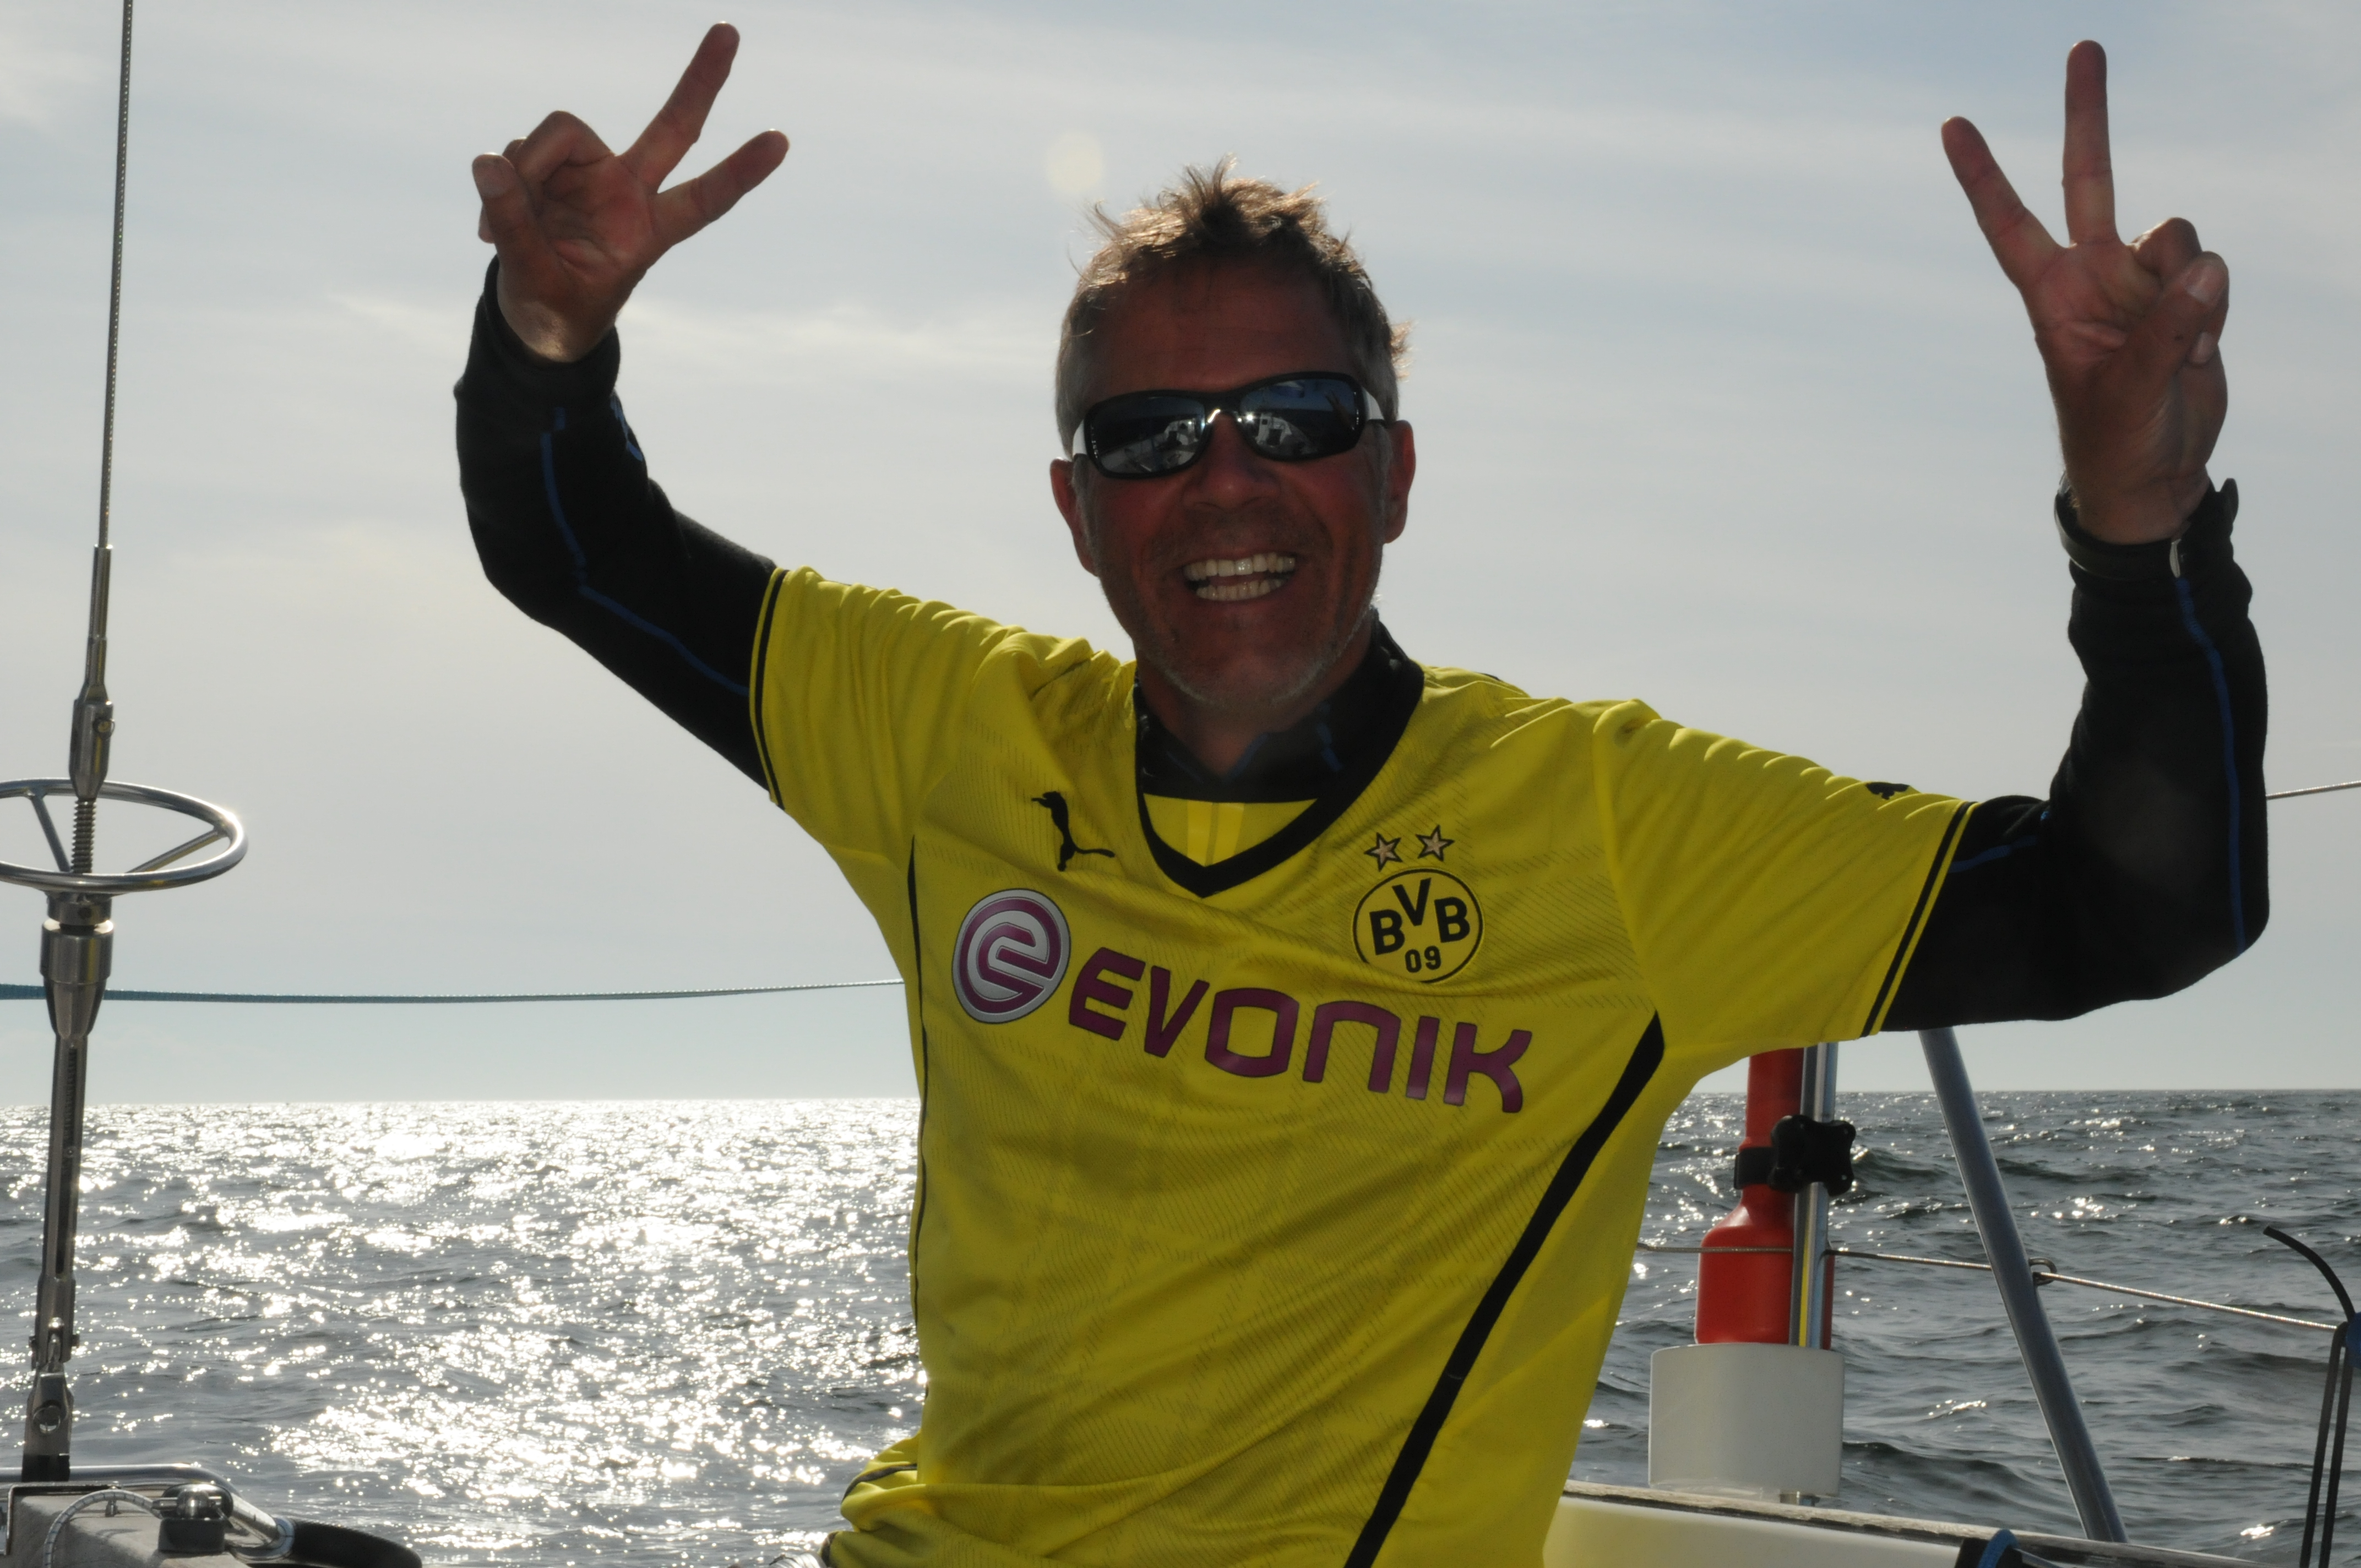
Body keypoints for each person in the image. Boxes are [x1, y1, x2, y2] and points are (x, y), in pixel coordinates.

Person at [455, 28, 2262, 1567]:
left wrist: (2142, 531)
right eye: (1150, 438)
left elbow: (2141, 905)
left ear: (1392, 475)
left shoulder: (1613, 829)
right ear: (1078, 512)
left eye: (1300, 421)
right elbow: (573, 548)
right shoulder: (944, 729)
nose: (1226, 483)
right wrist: (544, 327)